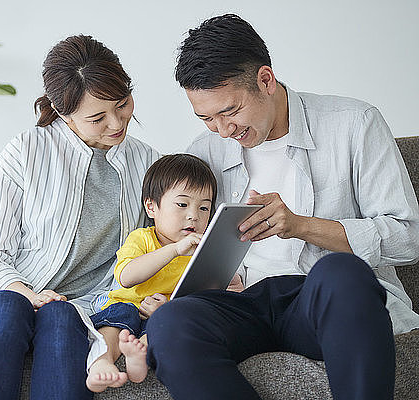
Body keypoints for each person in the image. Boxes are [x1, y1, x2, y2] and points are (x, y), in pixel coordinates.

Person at [146, 14, 419, 400]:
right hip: (243, 304)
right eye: (207, 117)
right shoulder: (203, 152)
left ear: (265, 80)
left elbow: (408, 239)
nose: (224, 130)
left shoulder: (355, 124)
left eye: (230, 111)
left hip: (319, 299)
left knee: (342, 272)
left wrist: (301, 225)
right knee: (171, 323)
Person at [0, 34, 160, 400]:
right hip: (9, 292)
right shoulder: (27, 150)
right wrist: (27, 292)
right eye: (96, 117)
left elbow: (154, 246)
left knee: (62, 317)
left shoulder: (146, 162)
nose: (116, 123)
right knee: (11, 307)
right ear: (63, 112)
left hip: (83, 305)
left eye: (122, 105)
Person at [86, 153, 230, 392]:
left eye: (204, 207)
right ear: (151, 207)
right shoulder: (142, 238)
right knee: (117, 320)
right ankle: (101, 361)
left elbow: (199, 299)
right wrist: (174, 250)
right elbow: (127, 277)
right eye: (182, 204)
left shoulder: (202, 252)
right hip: (127, 306)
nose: (194, 215)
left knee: (168, 327)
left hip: (162, 315)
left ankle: (138, 357)